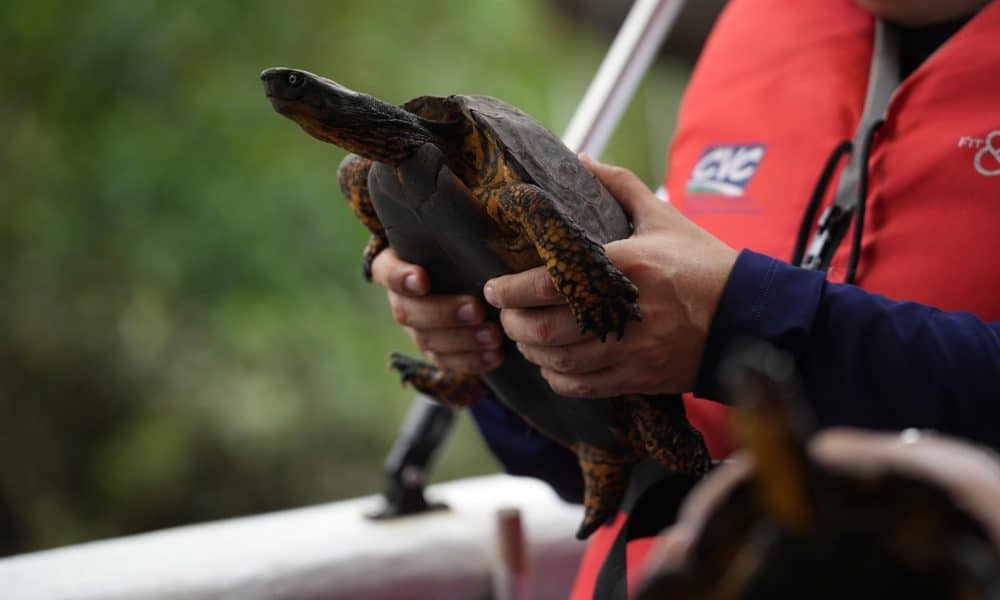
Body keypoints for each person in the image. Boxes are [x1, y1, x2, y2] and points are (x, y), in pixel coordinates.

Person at [370, 0, 1000, 597]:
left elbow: (739, 323)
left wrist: (751, 319)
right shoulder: (760, 30)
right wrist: (502, 335)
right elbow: (597, 470)